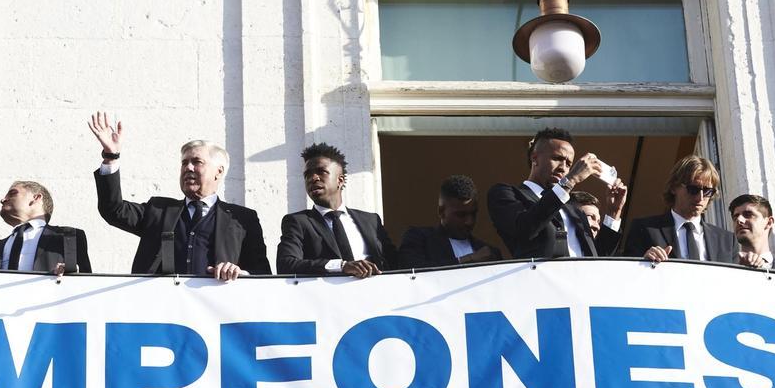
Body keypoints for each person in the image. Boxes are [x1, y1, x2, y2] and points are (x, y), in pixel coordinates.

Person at [88, 112, 269, 280]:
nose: (188, 168)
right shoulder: (158, 210)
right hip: (161, 309)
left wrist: (239, 273)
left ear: (219, 172)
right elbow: (113, 209)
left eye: (197, 162)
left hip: (215, 310)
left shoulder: (243, 219)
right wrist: (111, 157)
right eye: (184, 163)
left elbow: (262, 273)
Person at [487, 128, 627, 259]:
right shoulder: (505, 193)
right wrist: (570, 180)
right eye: (557, 158)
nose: (563, 168)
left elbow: (598, 256)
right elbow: (524, 230)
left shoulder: (573, 208)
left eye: (569, 164)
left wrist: (613, 213)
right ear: (534, 158)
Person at [277, 142, 396, 277]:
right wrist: (340, 266)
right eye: (307, 175)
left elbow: (395, 263)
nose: (313, 178)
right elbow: (286, 264)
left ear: (340, 180)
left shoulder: (371, 221)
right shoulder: (298, 222)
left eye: (321, 172)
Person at [623, 155, 738, 264]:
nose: (700, 197)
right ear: (674, 187)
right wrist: (643, 262)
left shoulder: (727, 241)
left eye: (708, 191)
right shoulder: (645, 229)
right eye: (693, 189)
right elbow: (625, 275)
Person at [0, 181, 91, 275]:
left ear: (36, 198)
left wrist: (71, 277)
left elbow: (86, 286)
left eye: (13, 193)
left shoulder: (69, 237)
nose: (2, 200)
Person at [397, 174, 500, 269]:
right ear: (441, 212)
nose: (469, 221)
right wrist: (468, 260)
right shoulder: (420, 239)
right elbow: (410, 271)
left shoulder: (490, 253)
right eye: (461, 215)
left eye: (473, 214)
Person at [729, 193, 775, 269]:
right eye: (735, 217)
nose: (739, 220)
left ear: (769, 222)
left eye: (748, 214)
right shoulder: (725, 271)